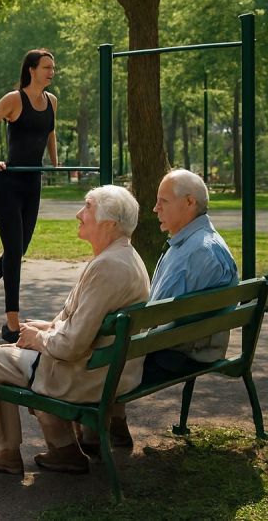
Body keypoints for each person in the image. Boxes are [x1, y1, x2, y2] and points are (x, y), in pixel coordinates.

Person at [0, 185, 149, 488]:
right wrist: (49, 326)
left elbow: (71, 346)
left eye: (87, 207)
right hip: (108, 368)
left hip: (86, 375)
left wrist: (39, 338)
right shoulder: (126, 257)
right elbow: (85, 323)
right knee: (4, 356)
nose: (79, 214)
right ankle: (54, 451)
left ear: (110, 224)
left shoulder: (108, 267)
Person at [80, 169, 238, 453]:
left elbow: (153, 318)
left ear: (189, 203)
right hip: (199, 345)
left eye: (163, 201)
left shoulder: (194, 252)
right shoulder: (203, 243)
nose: (155, 209)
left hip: (178, 354)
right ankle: (115, 422)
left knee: (98, 345)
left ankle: (92, 429)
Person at [0, 49, 58, 343]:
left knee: (18, 249)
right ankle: (12, 323)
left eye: (52, 68)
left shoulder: (52, 102)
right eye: (46, 67)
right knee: (14, 250)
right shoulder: (14, 99)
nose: (51, 72)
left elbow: (49, 132)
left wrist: (55, 161)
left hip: (33, 182)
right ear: (31, 70)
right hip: (7, 185)